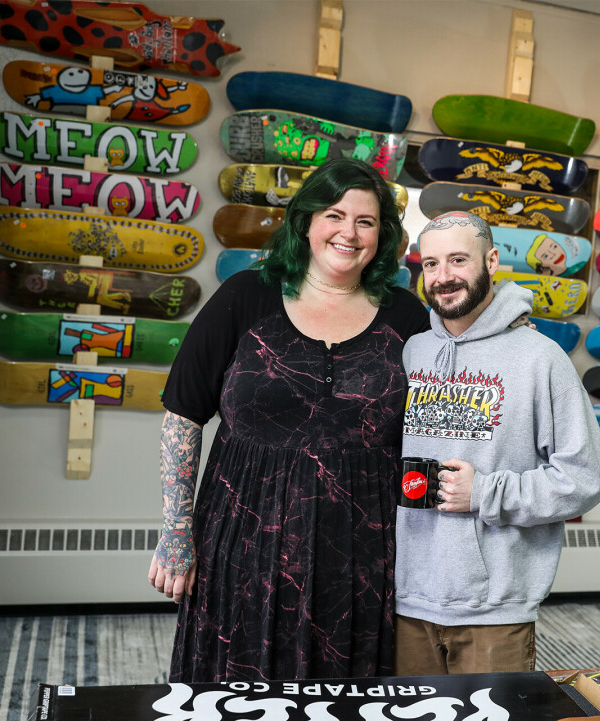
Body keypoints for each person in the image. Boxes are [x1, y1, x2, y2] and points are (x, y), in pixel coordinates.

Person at [147, 157, 429, 682]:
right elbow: (183, 416)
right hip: (241, 542)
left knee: (348, 699)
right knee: (232, 696)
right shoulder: (244, 296)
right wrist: (176, 530)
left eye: (366, 222)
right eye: (334, 215)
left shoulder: (408, 317)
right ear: (305, 222)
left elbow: (433, 431)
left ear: (383, 236)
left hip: (364, 556)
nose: (349, 232)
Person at [395, 210, 600, 674]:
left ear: (491, 260)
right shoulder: (412, 351)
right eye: (431, 264)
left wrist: (487, 493)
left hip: (495, 604)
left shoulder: (540, 358)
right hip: (406, 597)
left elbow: (584, 478)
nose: (443, 277)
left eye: (457, 260)